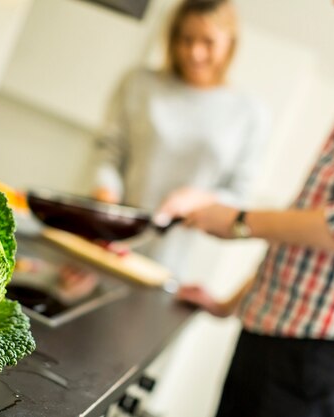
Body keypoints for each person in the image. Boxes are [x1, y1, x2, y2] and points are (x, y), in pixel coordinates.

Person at [158, 0, 334, 415]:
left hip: (317, 351)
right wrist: (230, 303)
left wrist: (238, 221)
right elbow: (322, 219)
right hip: (281, 331)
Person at [92, 0, 270, 278]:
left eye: (208, 42)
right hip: (108, 244)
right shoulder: (139, 83)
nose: (194, 53)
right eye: (186, 39)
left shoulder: (249, 113)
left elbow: (239, 194)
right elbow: (108, 153)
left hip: (175, 264)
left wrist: (201, 199)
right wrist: (105, 201)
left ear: (230, 43)